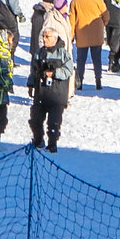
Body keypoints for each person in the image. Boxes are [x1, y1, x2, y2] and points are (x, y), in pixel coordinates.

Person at [28, 22, 72, 151]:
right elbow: (33, 70)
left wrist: (54, 74)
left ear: (55, 38)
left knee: (53, 123)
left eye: (47, 37)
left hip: (57, 95)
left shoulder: (63, 54)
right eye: (43, 36)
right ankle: (38, 140)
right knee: (35, 120)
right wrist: (31, 84)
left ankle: (52, 145)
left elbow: (68, 71)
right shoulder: (38, 53)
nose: (44, 39)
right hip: (41, 93)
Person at [67, 0, 106, 92]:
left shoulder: (75, 2)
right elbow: (106, 15)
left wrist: (71, 35)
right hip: (96, 34)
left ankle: (80, 82)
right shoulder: (98, 0)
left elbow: (72, 21)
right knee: (97, 59)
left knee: (81, 60)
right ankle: (98, 81)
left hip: (82, 34)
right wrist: (102, 25)